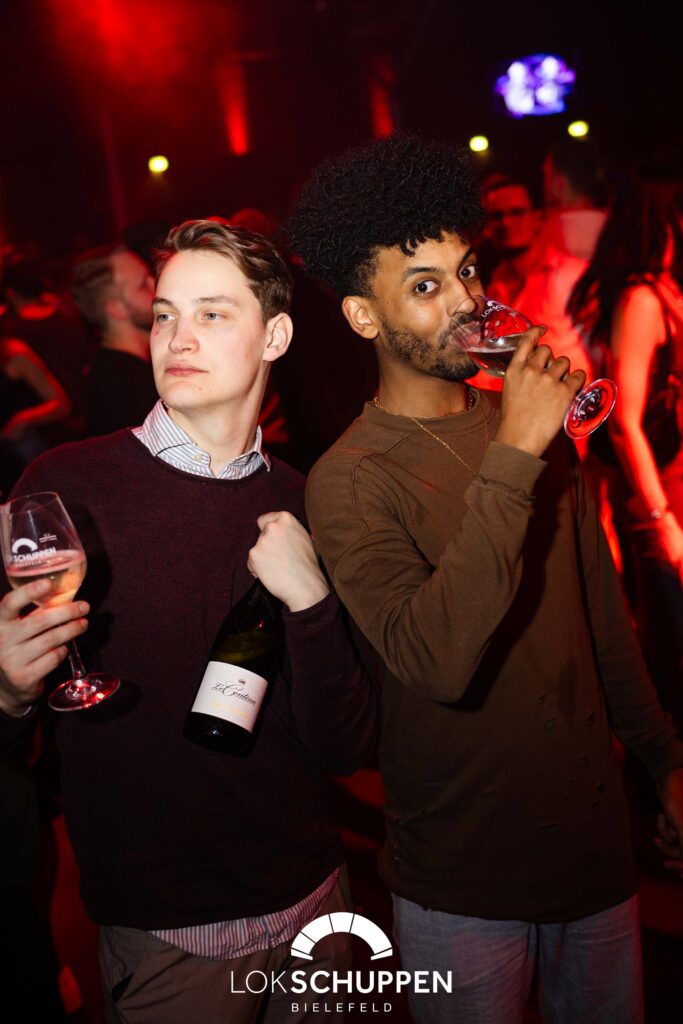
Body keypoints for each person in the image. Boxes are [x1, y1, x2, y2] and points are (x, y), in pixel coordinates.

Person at [287, 133, 683, 1024]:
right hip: (462, 881)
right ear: (363, 317)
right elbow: (435, 659)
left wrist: (664, 760)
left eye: (465, 272)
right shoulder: (349, 478)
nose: (467, 301)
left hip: (594, 854)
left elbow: (600, 622)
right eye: (425, 287)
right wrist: (516, 450)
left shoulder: (532, 431)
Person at [0, 220, 378, 1024]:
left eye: (212, 313)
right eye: (165, 314)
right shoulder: (66, 488)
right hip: (169, 936)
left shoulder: (308, 498)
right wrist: (7, 691)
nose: (176, 337)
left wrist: (311, 603)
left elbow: (345, 745)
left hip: (316, 905)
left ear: (274, 336)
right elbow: (13, 730)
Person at [568, 163, 683, 729]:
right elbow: (625, 423)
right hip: (660, 493)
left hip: (669, 486)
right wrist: (662, 521)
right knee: (669, 652)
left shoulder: (662, 290)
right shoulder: (640, 299)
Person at [480, 174, 593, 388]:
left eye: (517, 212)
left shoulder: (572, 274)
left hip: (571, 399)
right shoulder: (494, 283)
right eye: (497, 216)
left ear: (538, 217)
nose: (506, 223)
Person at [70, 243, 159, 437]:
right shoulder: (124, 388)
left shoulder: (132, 368)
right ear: (116, 309)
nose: (157, 286)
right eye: (143, 285)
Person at [543, 137, 608, 262]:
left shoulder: (545, 234)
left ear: (559, 183)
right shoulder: (615, 227)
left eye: (546, 176)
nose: (544, 184)